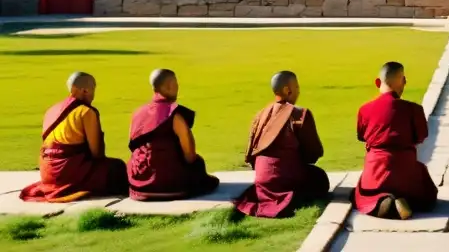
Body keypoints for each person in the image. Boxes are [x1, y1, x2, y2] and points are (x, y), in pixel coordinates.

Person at [234, 71, 330, 218]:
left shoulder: (260, 115)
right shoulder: (300, 114)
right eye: (297, 87)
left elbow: (249, 155)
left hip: (262, 180)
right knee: (319, 177)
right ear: (287, 90)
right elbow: (313, 154)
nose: (299, 91)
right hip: (285, 177)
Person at [20, 72, 128, 202]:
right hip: (68, 172)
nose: (93, 94)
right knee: (117, 167)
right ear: (85, 90)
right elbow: (97, 153)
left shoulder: (51, 110)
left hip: (47, 173)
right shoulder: (85, 111)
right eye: (93, 89)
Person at [353, 61, 437, 219]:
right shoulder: (414, 109)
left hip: (376, 171)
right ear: (403, 81)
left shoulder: (365, 109)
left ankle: (385, 201)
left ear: (377, 82)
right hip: (407, 172)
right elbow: (420, 137)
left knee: (363, 197)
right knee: (426, 195)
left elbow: (361, 136)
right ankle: (403, 200)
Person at [127, 69, 220, 201]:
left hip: (140, 183)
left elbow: (133, 148)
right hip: (170, 182)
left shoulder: (138, 113)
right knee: (198, 163)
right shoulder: (173, 114)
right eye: (176, 84)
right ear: (170, 85)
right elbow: (190, 155)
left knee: (130, 163)